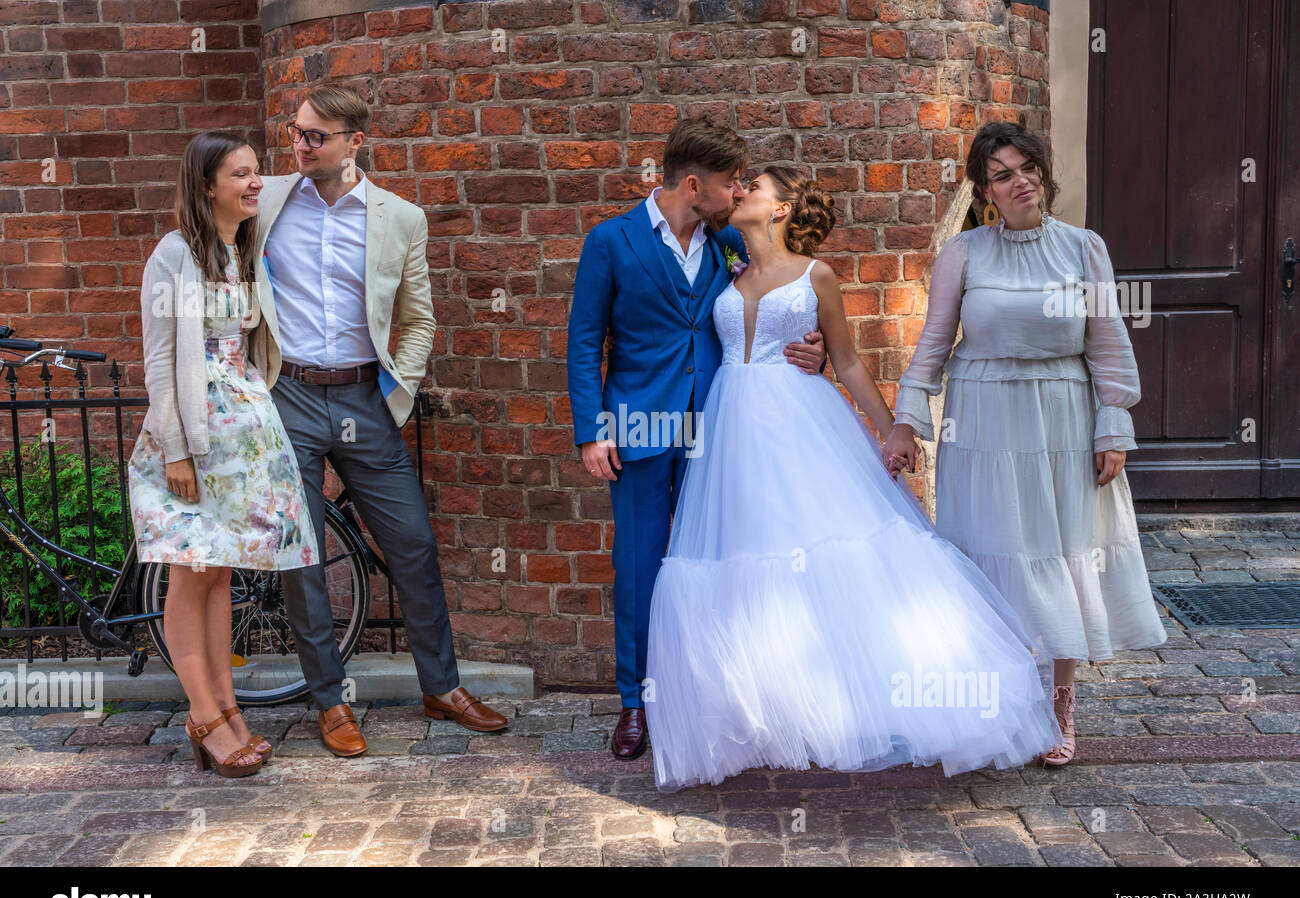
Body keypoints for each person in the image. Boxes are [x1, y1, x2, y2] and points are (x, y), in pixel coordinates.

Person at [643, 166, 1063, 792]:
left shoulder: (816, 276)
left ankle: (857, 705)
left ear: (782, 209)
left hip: (801, 421)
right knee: (743, 556)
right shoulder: (724, 266)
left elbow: (847, 362)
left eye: (752, 189)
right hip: (730, 427)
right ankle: (764, 710)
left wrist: (894, 429)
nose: (739, 195)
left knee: (829, 555)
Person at [883, 121, 1167, 766]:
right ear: (985, 191)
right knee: (988, 552)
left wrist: (1113, 424)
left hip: (1063, 413)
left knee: (1060, 551)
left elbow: (1108, 342)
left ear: (1044, 172)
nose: (1021, 181)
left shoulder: (1083, 248)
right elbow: (933, 344)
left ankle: (1060, 702)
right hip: (981, 418)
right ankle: (994, 705)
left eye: (1028, 167)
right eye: (1003, 174)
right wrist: (907, 419)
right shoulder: (964, 254)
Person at [249, 83, 507, 756]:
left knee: (414, 543)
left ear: (355, 142)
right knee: (299, 555)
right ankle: (330, 702)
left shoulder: (400, 218)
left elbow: (419, 319)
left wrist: (400, 389)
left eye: (315, 136)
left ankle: (441, 686)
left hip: (365, 399)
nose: (299, 145)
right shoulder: (267, 200)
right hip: (290, 396)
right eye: (297, 132)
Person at [566, 119, 827, 761]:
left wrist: (813, 349)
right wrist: (592, 431)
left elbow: (772, 297)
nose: (737, 192)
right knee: (641, 568)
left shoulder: (727, 248)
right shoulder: (611, 241)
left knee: (722, 561)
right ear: (692, 184)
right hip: (639, 430)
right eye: (729, 183)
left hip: (719, 427)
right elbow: (582, 343)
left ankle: (717, 695)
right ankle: (636, 704)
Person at [129, 130, 317, 778]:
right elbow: (159, 362)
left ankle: (228, 709)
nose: (255, 182)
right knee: (191, 572)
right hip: (194, 440)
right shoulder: (173, 255)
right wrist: (176, 451)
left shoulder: (239, 250)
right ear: (208, 184)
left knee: (220, 572)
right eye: (241, 174)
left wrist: (314, 144)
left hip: (240, 439)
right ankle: (204, 715)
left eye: (258, 171)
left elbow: (292, 182)